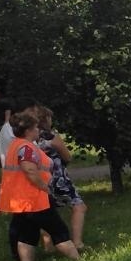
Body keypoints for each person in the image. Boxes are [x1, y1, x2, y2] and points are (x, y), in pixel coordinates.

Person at [0, 106, 80, 261]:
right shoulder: (26, 148)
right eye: (35, 128)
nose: (37, 130)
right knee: (59, 230)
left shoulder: (16, 145)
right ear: (28, 130)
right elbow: (29, 170)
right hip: (34, 199)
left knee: (28, 234)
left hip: (22, 201)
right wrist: (44, 187)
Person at [33, 106, 86, 251]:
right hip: (59, 179)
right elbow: (67, 156)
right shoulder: (52, 137)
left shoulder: (32, 138)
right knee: (78, 206)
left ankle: (48, 246)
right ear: (46, 119)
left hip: (42, 179)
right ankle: (77, 243)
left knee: (49, 212)